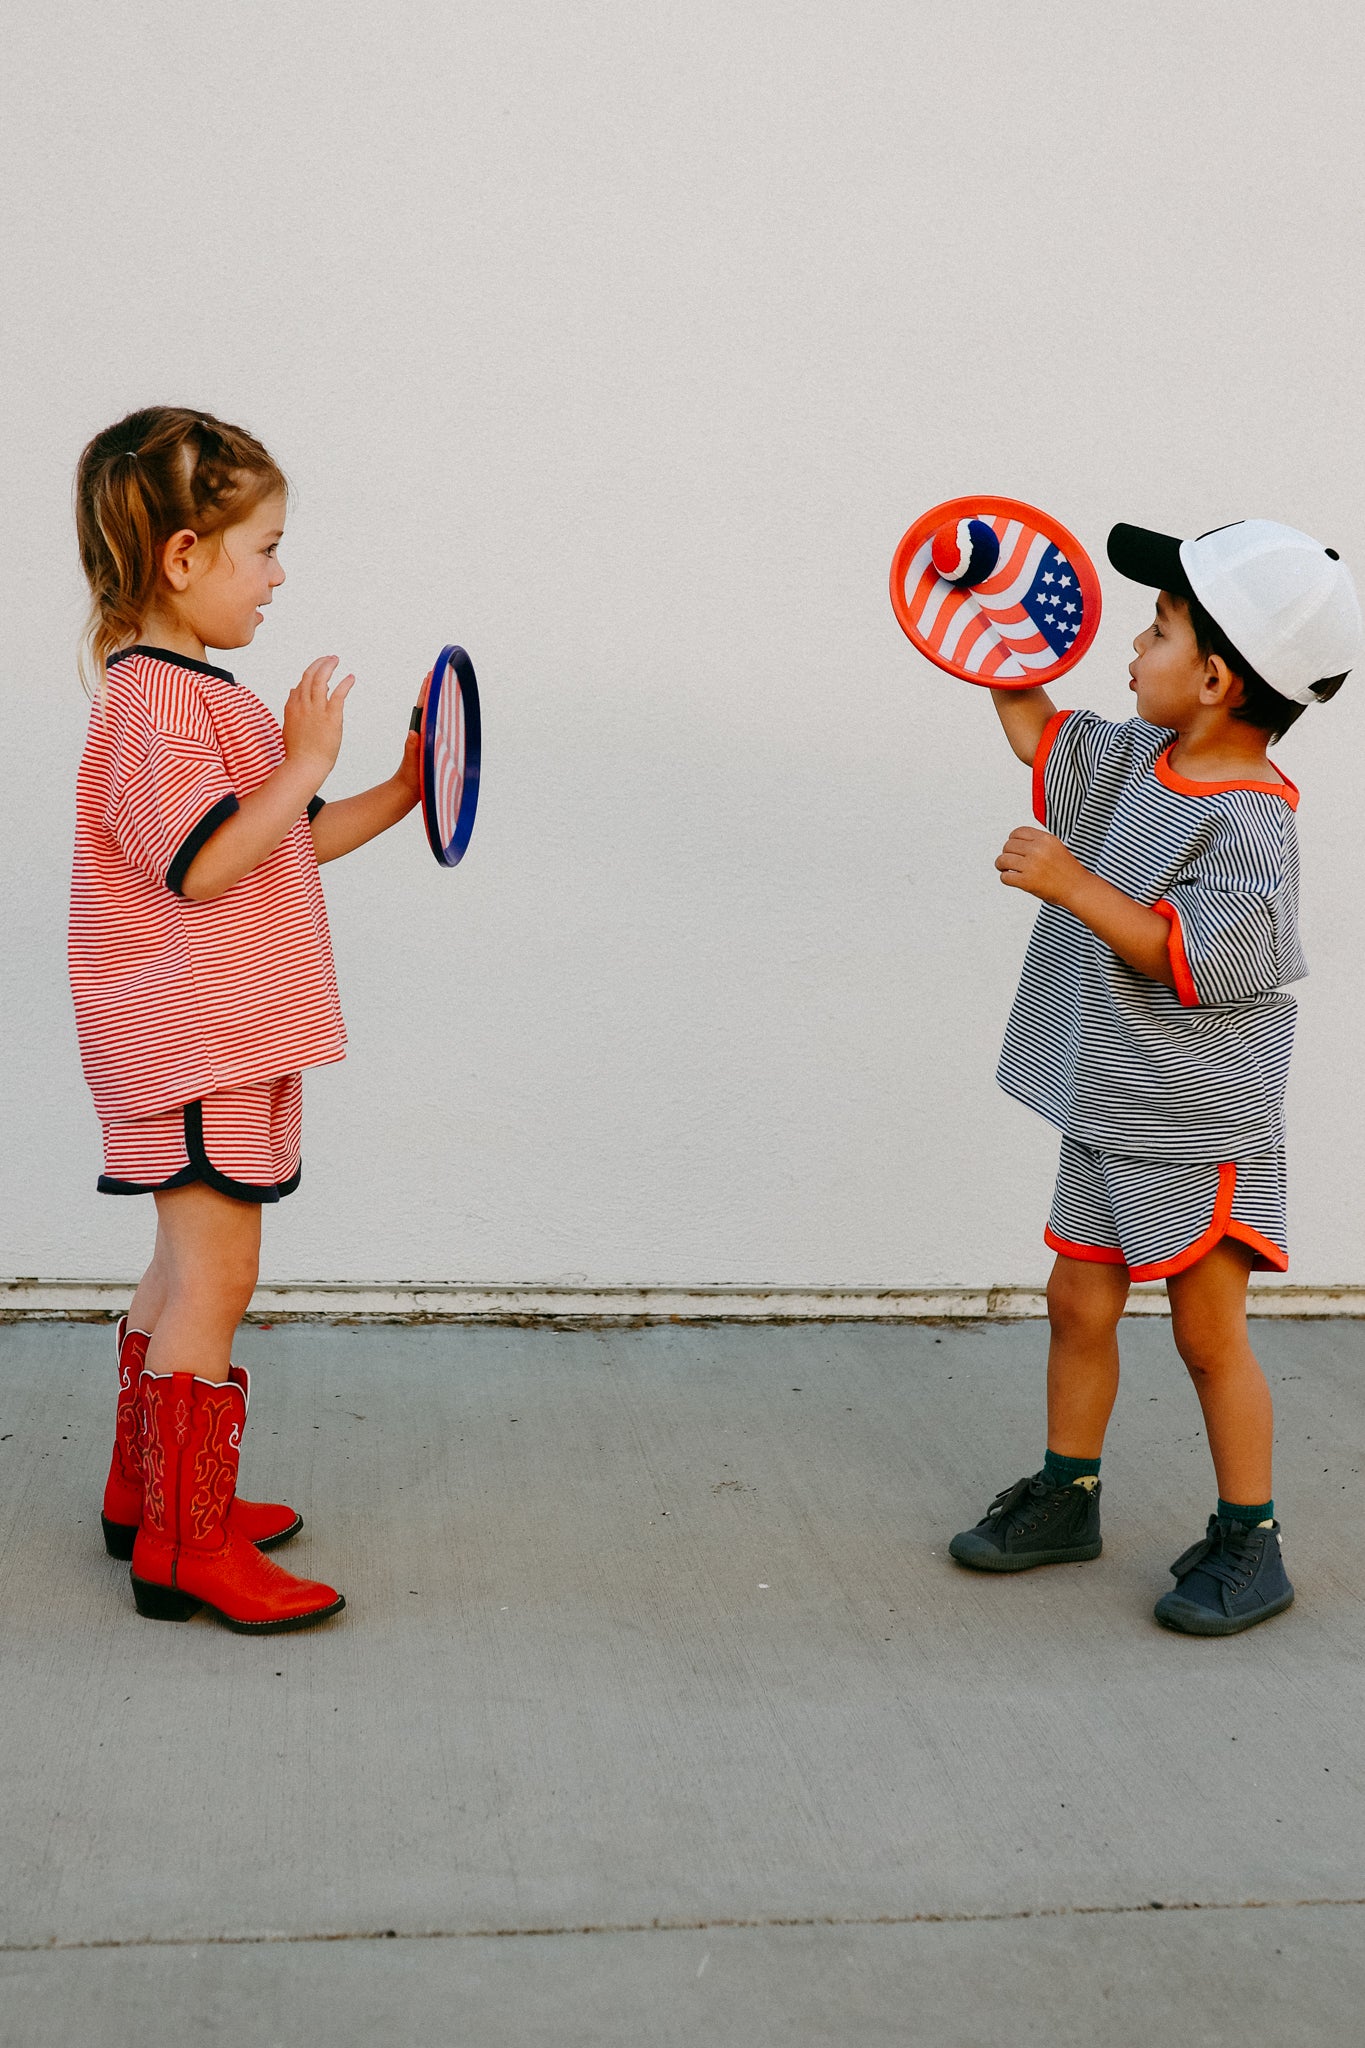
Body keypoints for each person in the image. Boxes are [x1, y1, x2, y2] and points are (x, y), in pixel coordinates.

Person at [947, 519, 1361, 1635]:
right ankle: (1067, 1493)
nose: (1132, 643)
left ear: (1218, 679)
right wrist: (987, 630)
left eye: (1160, 626)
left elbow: (1193, 955)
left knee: (1204, 1329)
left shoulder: (1250, 825)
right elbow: (1037, 730)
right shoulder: (1139, 759)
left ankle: (1250, 1536)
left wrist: (1073, 885)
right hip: (1108, 1098)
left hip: (1190, 1122)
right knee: (1076, 1296)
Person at [71, 407, 421, 1632]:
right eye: (262, 548)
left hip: (216, 1030)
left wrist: (390, 789)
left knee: (177, 1272)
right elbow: (204, 868)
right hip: (193, 1037)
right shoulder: (157, 709)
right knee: (219, 1278)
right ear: (183, 558)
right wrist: (307, 757)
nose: (279, 575)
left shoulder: (196, 696)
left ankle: (146, 1491)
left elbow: (278, 851)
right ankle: (184, 1542)